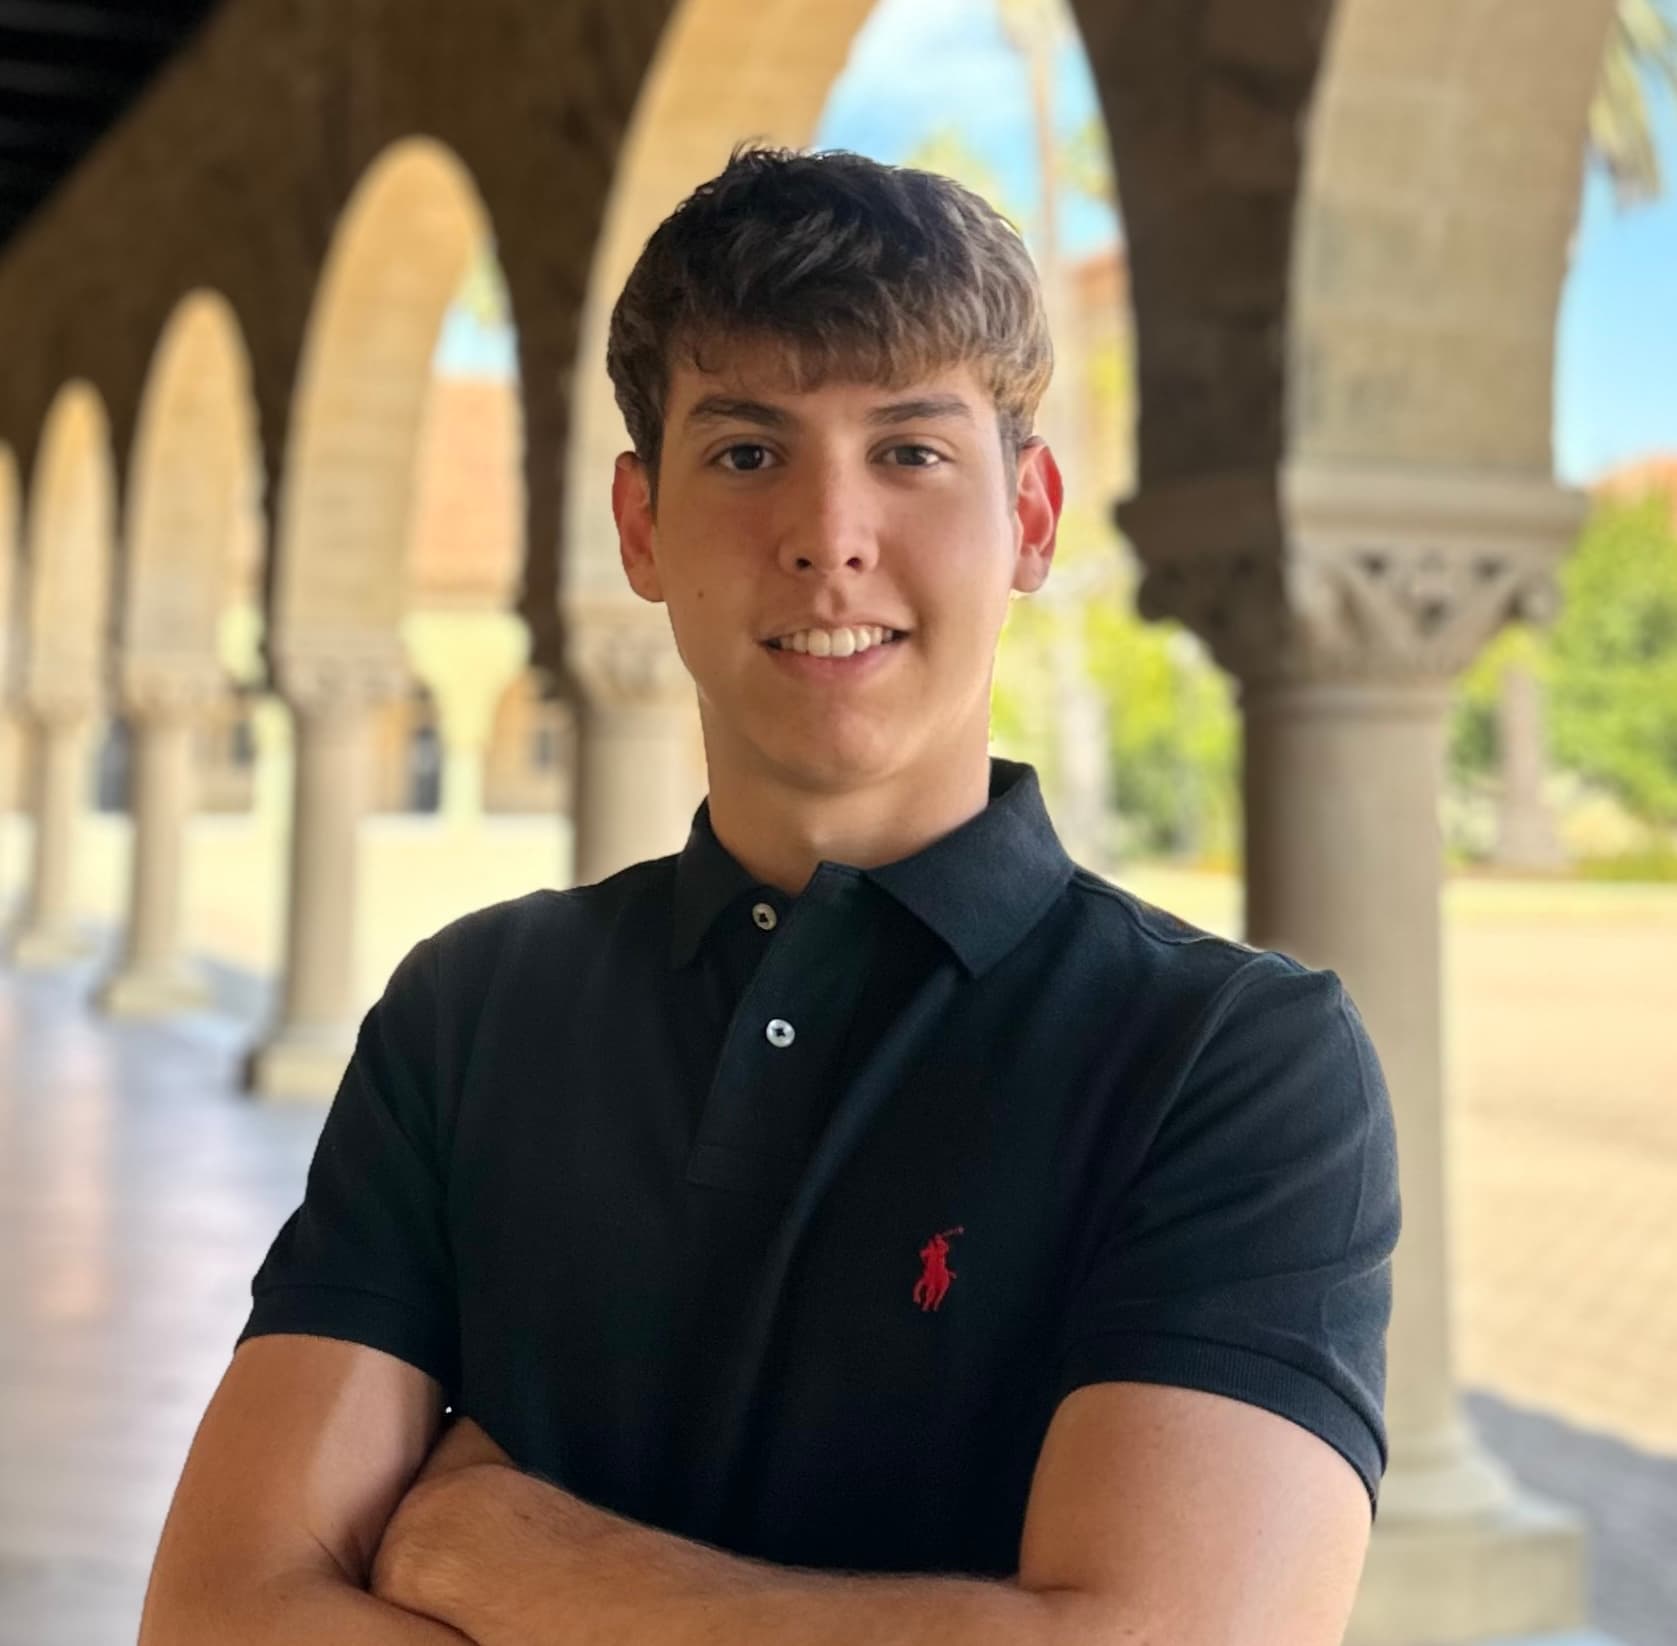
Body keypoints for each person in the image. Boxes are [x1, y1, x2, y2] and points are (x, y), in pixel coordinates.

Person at [139, 145, 1400, 1646]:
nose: (827, 534)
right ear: (639, 527)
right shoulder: (471, 1013)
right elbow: (219, 1616)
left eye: (910, 451)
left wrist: (499, 1556)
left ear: (1035, 518)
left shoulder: (1228, 1059)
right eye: (747, 452)